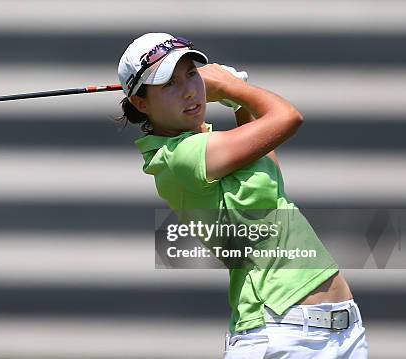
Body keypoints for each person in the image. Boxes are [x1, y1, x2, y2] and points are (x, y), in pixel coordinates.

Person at [117, 33, 369, 358]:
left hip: (341, 334)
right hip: (282, 336)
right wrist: (235, 88)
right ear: (141, 103)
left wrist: (238, 105)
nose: (189, 90)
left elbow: (270, 171)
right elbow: (288, 118)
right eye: (169, 84)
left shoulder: (208, 145)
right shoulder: (178, 157)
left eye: (192, 74)